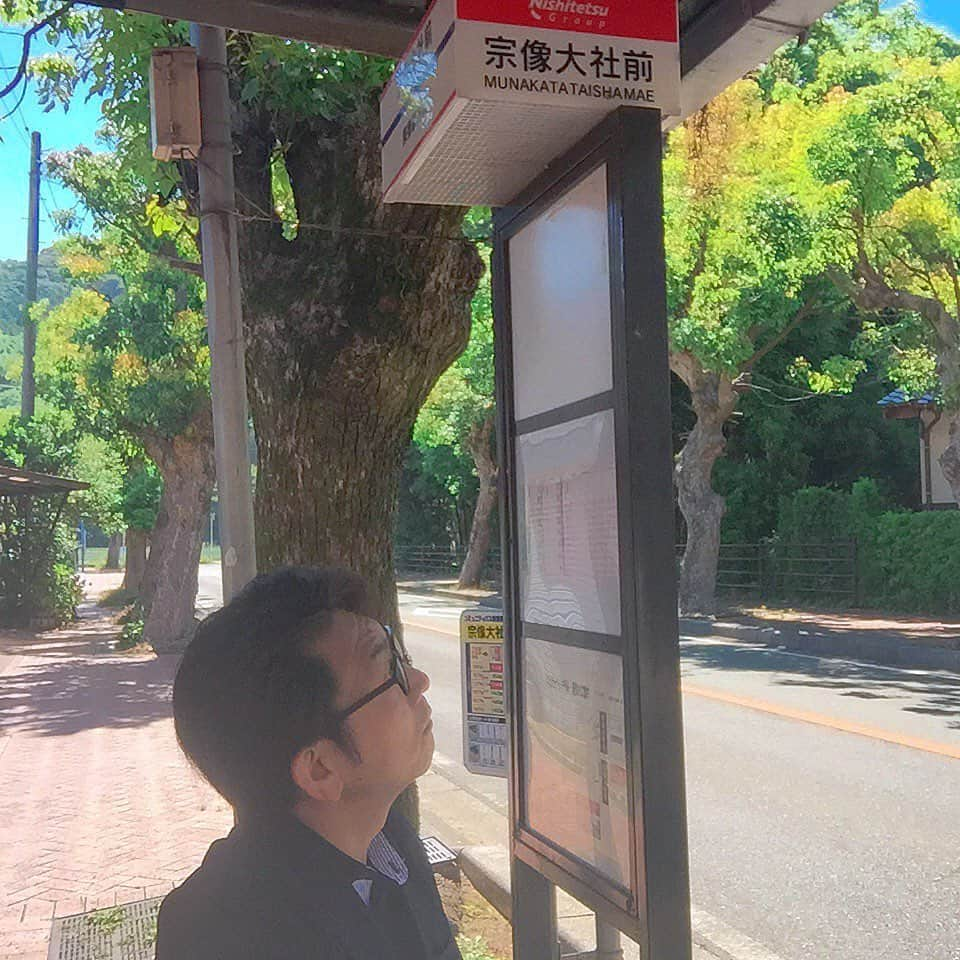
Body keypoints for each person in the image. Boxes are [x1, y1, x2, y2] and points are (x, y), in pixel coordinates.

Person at [155, 566, 460, 959]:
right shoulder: (219, 934)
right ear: (320, 769)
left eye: (399, 655)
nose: (418, 681)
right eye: (390, 671)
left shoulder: (390, 841)